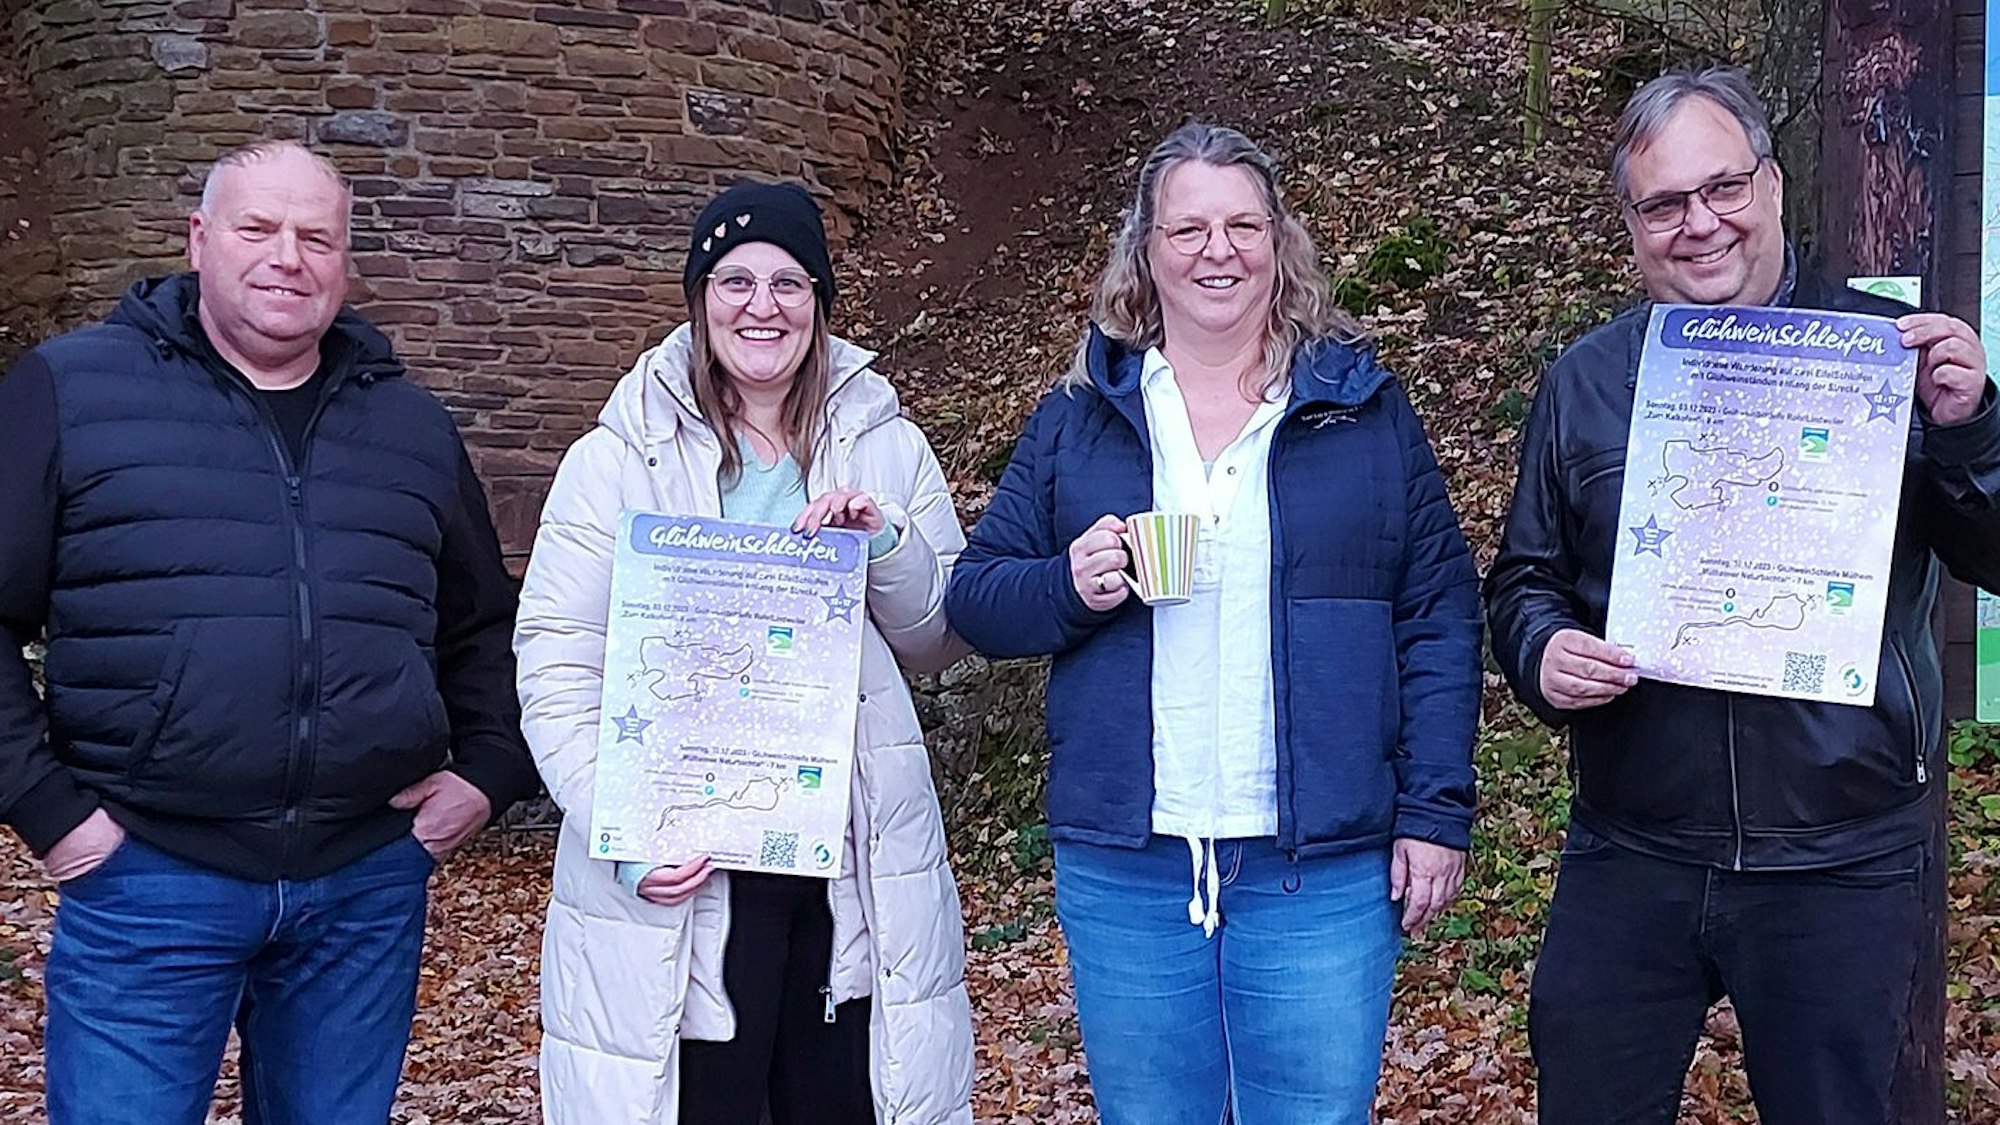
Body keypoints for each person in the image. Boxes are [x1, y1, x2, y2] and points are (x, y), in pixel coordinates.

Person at [1486, 66, 2000, 1125]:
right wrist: (1541, 652)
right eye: (1663, 204)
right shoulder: (1585, 380)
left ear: (1769, 185)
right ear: (1630, 226)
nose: (1698, 224)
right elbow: (1523, 581)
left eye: (1721, 188)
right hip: (1633, 844)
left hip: (1839, 851)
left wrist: (1970, 431)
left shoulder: (1884, 359)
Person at [944, 122, 1481, 1125]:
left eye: (1241, 225)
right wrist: (1070, 583)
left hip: (1315, 867)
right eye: (1186, 228)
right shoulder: (1083, 413)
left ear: (1279, 242)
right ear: (1143, 250)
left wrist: (1434, 810)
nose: (1215, 250)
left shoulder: (1359, 409)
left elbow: (1437, 612)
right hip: (1128, 866)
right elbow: (975, 597)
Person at [0, 140, 539, 1124]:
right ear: (200, 240)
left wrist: (491, 771)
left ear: (344, 261)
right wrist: (52, 815)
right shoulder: (70, 392)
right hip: (147, 879)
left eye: (315, 237)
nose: (287, 256)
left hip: (363, 885)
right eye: (258, 229)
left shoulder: (410, 425)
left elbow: (481, 624)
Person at [515, 181, 975, 1125]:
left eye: (789, 282)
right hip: (680, 871)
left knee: (842, 1099)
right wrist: (619, 822)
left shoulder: (885, 446)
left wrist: (881, 541)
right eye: (734, 281)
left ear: (820, 301)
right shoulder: (618, 459)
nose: (762, 306)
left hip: (851, 868)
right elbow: (556, 659)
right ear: (698, 297)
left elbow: (938, 636)